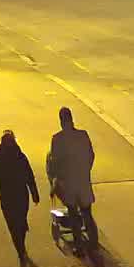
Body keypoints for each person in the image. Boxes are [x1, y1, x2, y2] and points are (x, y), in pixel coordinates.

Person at [47, 107, 97, 254]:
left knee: (74, 215)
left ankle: (79, 246)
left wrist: (58, 180)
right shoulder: (83, 135)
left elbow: (55, 162)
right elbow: (91, 155)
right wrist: (85, 171)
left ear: (61, 121)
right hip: (82, 181)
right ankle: (93, 243)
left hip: (68, 183)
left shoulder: (57, 139)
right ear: (72, 119)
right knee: (87, 214)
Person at [0, 130, 40, 267]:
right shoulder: (21, 156)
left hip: (7, 196)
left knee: (12, 224)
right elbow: (29, 175)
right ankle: (22, 239)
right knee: (20, 219)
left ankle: (20, 250)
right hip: (21, 195)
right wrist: (34, 194)